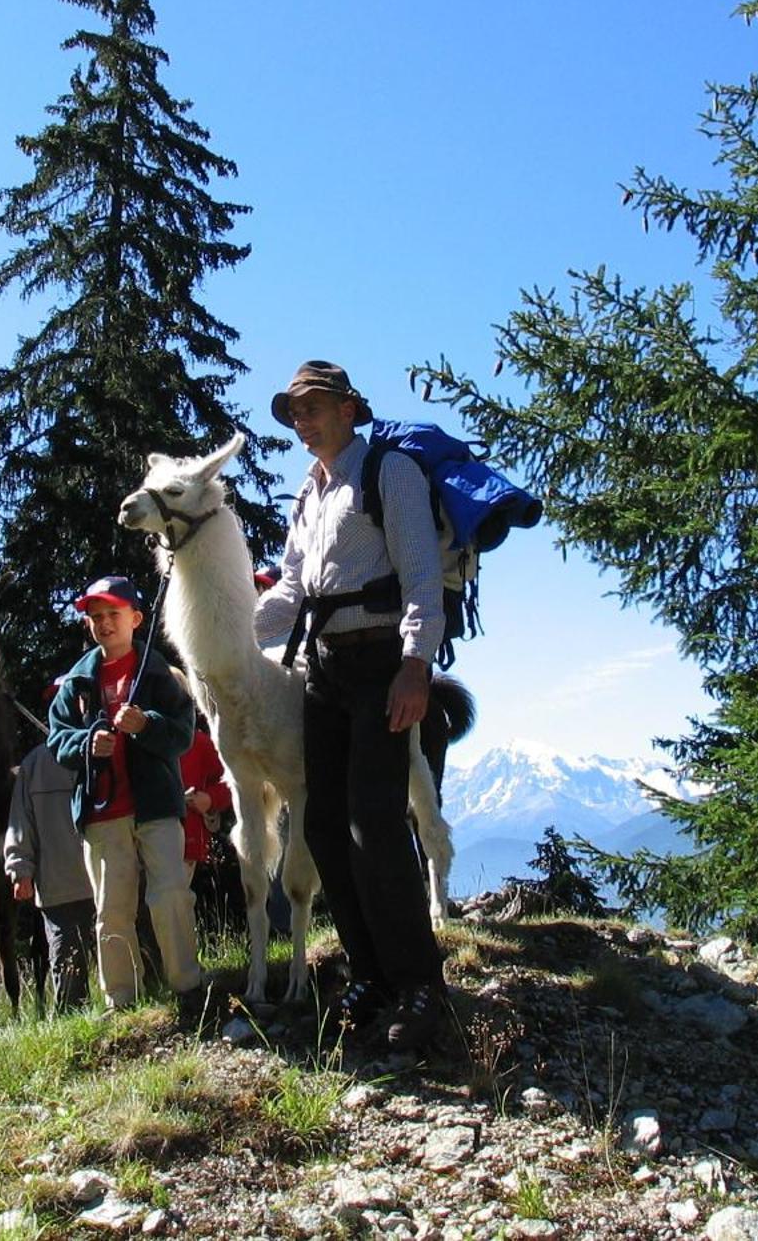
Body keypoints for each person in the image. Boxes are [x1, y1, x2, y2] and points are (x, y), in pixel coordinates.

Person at [253, 360, 450, 1052]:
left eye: (311, 407)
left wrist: (415, 667)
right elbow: (291, 593)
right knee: (325, 829)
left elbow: (423, 576)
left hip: (380, 667)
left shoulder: (388, 472)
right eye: (294, 412)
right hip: (321, 670)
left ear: (348, 409)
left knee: (376, 825)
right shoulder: (308, 496)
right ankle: (369, 974)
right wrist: (222, 632)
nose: (301, 421)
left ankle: (420, 983)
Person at [46, 575, 206, 1021]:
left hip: (155, 806)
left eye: (113, 614)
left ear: (135, 619)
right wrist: (86, 744)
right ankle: (121, 1000)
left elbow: (183, 734)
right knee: (110, 909)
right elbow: (59, 740)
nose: (103, 624)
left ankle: (187, 986)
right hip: (102, 811)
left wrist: (147, 725)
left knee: (170, 894)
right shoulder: (76, 683)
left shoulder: (157, 675)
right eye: (95, 617)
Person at [4, 692, 96, 1012]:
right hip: (60, 886)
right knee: (70, 977)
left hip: (110, 882)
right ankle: (77, 1038)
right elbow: (21, 821)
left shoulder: (104, 753)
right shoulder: (35, 764)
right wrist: (20, 869)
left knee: (127, 963)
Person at [179, 718, 233, 887]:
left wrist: (210, 799)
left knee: (176, 903)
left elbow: (231, 782)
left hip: (187, 843)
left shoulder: (198, 742)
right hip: (139, 841)